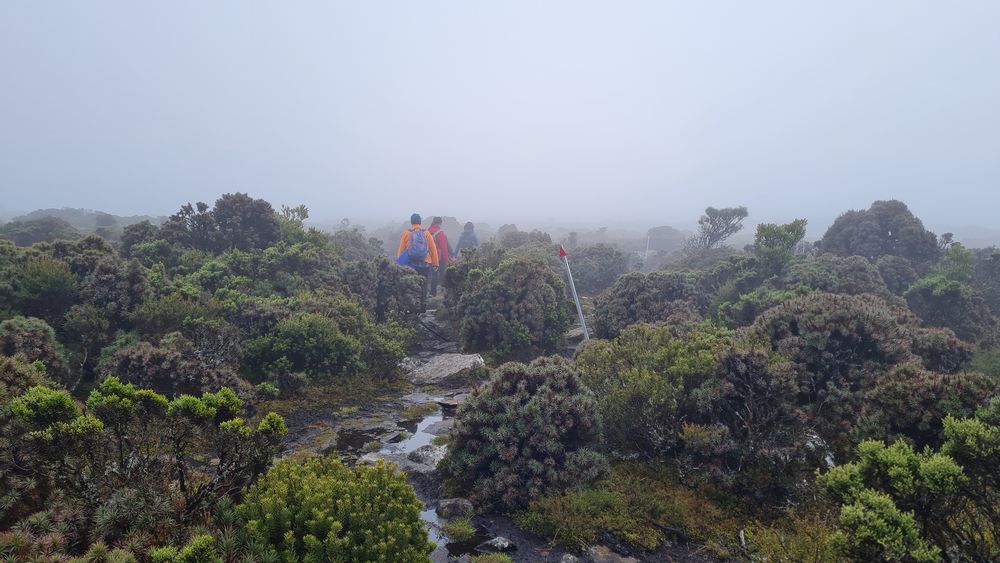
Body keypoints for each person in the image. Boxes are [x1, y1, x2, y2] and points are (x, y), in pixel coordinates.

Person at [397, 213, 439, 308]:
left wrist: (399, 264)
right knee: (423, 284)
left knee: (412, 284)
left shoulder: (406, 233)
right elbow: (433, 249)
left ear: (411, 222)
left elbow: (401, 250)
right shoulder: (426, 233)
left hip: (411, 264)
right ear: (420, 222)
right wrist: (435, 263)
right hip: (425, 263)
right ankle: (422, 304)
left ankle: (412, 305)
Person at [427, 217, 453, 296]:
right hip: (439, 257)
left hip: (429, 257)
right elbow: (444, 248)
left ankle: (432, 292)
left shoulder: (427, 232)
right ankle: (444, 292)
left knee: (433, 275)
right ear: (439, 223)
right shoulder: (440, 233)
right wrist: (447, 260)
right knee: (442, 274)